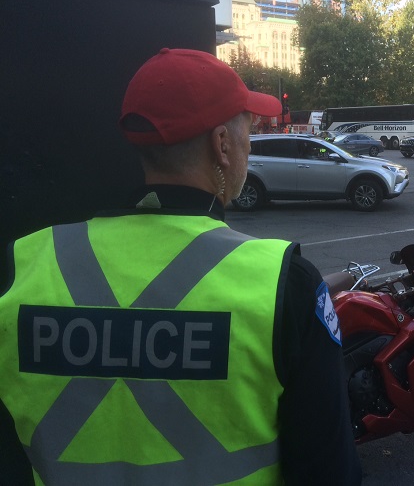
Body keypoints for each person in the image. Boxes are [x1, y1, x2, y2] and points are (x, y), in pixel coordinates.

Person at [0, 48, 362, 486]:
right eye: (249, 130)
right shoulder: (286, 284)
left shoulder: (22, 266)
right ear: (222, 145)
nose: (251, 144)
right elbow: (329, 474)